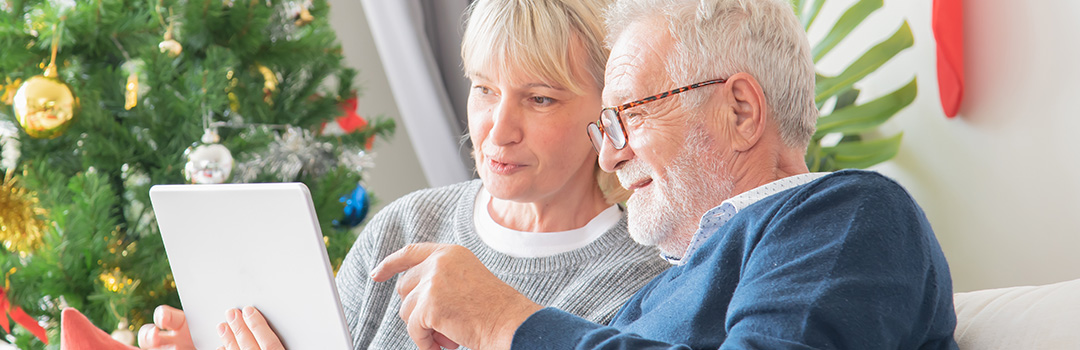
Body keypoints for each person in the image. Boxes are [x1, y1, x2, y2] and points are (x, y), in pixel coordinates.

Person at [296, 0, 956, 349]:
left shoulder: (846, 215)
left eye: (629, 117)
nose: (608, 155)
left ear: (741, 110)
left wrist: (508, 323)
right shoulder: (660, 298)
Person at [137, 0, 670, 349]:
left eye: (539, 98)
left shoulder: (641, 279)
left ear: (608, 111)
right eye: (484, 89)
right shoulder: (407, 224)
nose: (497, 130)